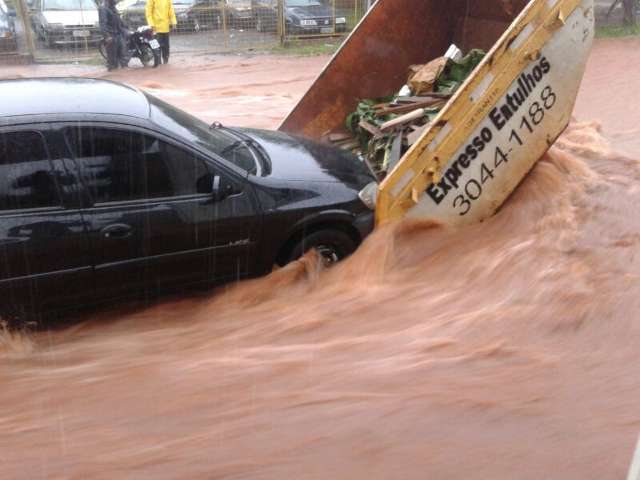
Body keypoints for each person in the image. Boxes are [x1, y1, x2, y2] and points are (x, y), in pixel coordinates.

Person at [99, 0, 128, 71]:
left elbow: (119, 21)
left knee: (123, 57)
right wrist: (107, 36)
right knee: (112, 60)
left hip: (119, 34)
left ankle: (124, 75)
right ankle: (113, 75)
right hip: (111, 36)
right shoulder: (103, 9)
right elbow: (103, 23)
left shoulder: (113, 8)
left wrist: (126, 28)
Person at [145, 0, 176, 65]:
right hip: (155, 28)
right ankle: (157, 62)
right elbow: (148, 12)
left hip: (165, 27)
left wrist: (173, 22)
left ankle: (165, 60)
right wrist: (151, 24)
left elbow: (171, 11)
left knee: (166, 46)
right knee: (156, 46)